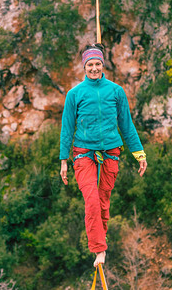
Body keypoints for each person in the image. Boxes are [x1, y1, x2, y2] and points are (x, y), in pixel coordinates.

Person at [59, 43, 147, 268]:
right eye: (90, 64)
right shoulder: (74, 94)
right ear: (84, 66)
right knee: (91, 201)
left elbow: (126, 125)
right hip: (83, 153)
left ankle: (101, 237)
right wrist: (63, 161)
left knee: (103, 202)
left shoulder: (115, 91)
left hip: (110, 152)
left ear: (103, 65)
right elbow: (67, 128)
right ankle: (99, 249)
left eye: (98, 64)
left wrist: (139, 154)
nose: (94, 68)